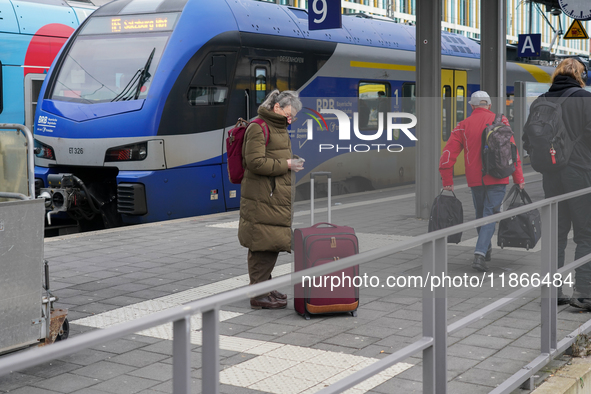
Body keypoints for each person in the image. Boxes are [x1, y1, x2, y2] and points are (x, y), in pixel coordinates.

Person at [523, 58, 591, 308]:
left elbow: (527, 137)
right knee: (586, 233)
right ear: (579, 75)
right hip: (581, 173)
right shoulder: (585, 99)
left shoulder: (541, 101)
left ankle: (552, 292)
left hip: (551, 175)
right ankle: (583, 293)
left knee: (556, 234)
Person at [439, 90, 525, 272]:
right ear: (490, 106)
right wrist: (518, 178)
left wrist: (447, 179)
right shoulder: (502, 122)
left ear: (471, 106)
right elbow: (513, 152)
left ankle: (484, 250)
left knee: (481, 216)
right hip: (498, 176)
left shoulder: (463, 125)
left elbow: (447, 155)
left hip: (475, 179)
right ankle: (480, 253)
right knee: (490, 216)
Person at [238, 90, 303, 310]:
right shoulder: (258, 127)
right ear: (277, 108)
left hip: (272, 197)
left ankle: (264, 285)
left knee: (270, 244)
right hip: (262, 197)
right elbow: (255, 162)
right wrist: (286, 165)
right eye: (289, 113)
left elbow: (273, 155)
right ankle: (258, 293)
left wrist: (290, 161)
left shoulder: (277, 127)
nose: (291, 118)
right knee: (262, 245)